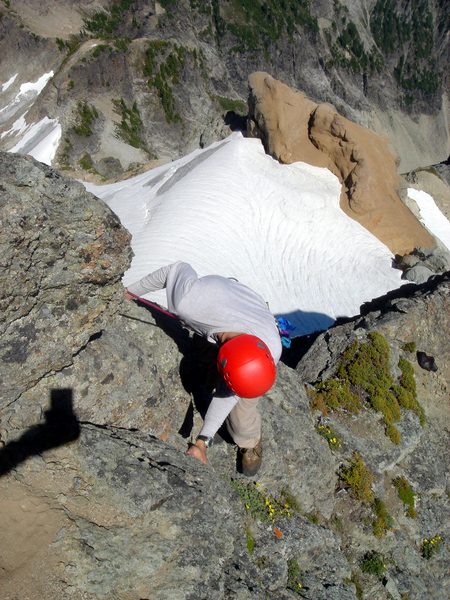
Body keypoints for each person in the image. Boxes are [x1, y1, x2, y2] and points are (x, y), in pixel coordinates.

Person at [125, 261, 282, 475]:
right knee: (202, 367)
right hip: (218, 300)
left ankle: (250, 440)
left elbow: (228, 396)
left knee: (241, 421)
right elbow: (175, 270)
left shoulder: (270, 348)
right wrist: (130, 292)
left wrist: (202, 442)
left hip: (248, 305)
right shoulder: (188, 303)